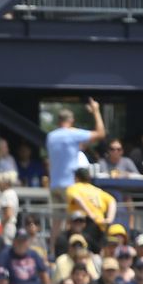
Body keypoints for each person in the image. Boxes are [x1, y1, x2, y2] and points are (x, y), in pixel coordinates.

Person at [45, 98, 106, 252]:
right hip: (70, 186)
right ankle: (69, 250)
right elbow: (100, 133)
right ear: (70, 120)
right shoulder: (72, 133)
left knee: (56, 222)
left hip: (54, 185)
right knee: (74, 221)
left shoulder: (51, 136)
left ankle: (53, 252)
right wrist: (96, 111)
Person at [66, 168, 116, 247]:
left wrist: (90, 214)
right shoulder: (97, 190)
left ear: (76, 178)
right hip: (101, 225)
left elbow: (78, 199)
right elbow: (112, 201)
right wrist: (110, 219)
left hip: (84, 224)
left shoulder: (74, 187)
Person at [0, 171, 19, 244]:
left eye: (0, 182)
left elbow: (8, 214)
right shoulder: (7, 193)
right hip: (4, 228)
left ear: (6, 183)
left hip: (5, 229)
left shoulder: (8, 194)